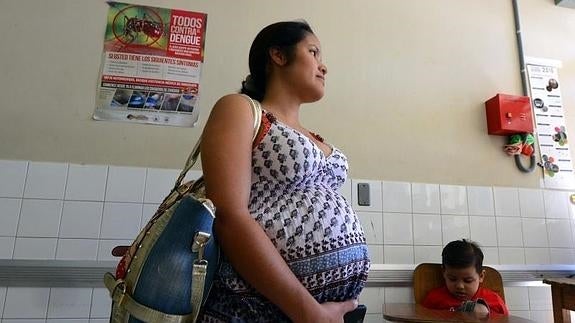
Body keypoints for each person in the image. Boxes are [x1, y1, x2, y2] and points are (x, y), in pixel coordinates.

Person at [198, 20, 370, 322]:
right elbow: (229, 215)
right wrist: (309, 313)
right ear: (278, 56)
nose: (324, 66)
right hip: (257, 309)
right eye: (313, 52)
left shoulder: (313, 135)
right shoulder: (240, 108)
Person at [422, 239, 509, 316]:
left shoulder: (495, 301)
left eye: (468, 280)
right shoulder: (434, 299)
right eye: (452, 279)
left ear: (481, 276)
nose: (460, 286)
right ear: (443, 273)